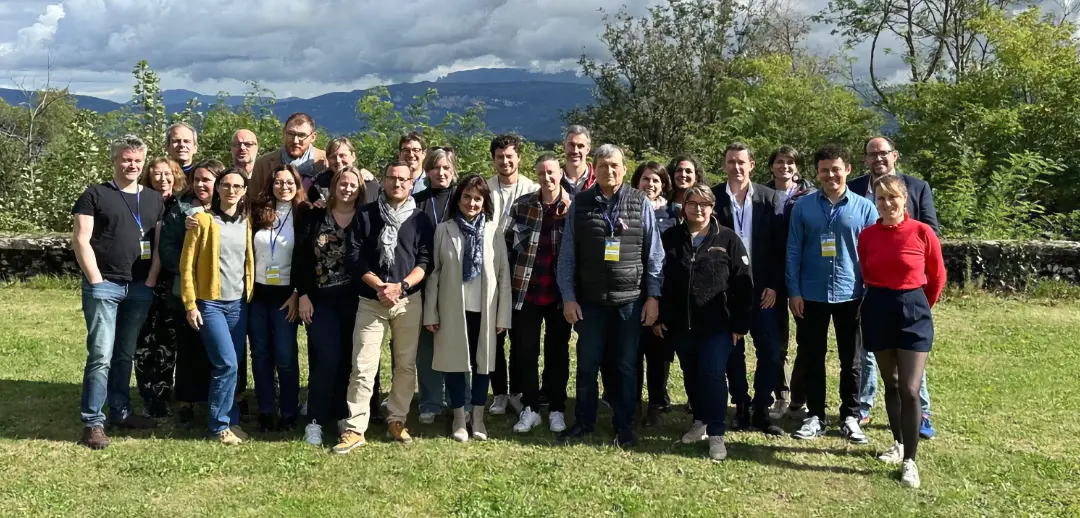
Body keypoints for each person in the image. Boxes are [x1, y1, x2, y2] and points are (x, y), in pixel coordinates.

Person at [556, 144, 664, 448]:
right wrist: (568, 297)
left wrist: (653, 296)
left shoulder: (639, 201)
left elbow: (654, 255)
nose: (609, 170)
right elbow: (567, 257)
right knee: (587, 364)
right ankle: (584, 421)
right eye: (603, 165)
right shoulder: (580, 204)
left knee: (627, 365)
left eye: (615, 165)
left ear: (625, 168)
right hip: (589, 301)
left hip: (629, 299)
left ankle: (625, 424)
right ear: (595, 168)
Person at [333, 160, 433, 453]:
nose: (398, 183)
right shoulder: (365, 215)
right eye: (392, 178)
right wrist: (379, 286)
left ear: (411, 183)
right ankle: (355, 428)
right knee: (363, 366)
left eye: (403, 179)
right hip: (371, 301)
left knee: (404, 365)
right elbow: (353, 257)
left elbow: (425, 261)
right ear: (383, 181)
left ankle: (397, 420)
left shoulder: (420, 219)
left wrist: (400, 287)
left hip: (407, 300)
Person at [71, 135, 165, 449]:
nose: (132, 165)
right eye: (126, 159)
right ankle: (92, 421)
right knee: (100, 355)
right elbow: (81, 240)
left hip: (139, 287)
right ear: (115, 160)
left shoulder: (153, 198)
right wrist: (96, 280)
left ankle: (121, 412)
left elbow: (157, 244)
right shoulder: (95, 194)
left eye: (138, 160)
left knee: (125, 354)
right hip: (105, 285)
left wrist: (151, 280)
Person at [653, 185, 753, 460]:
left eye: (704, 204)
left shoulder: (728, 239)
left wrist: (739, 324)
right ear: (683, 207)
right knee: (691, 373)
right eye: (692, 203)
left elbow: (743, 283)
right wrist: (660, 316)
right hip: (681, 324)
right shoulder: (670, 238)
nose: (698, 209)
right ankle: (700, 421)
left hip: (717, 324)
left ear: (713, 207)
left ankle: (717, 433)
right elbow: (660, 278)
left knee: (712, 374)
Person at [858, 174, 945, 488]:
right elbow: (867, 271)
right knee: (891, 383)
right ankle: (897, 443)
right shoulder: (867, 235)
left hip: (913, 310)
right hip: (879, 307)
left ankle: (910, 460)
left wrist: (919, 305)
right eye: (881, 198)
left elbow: (936, 277)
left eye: (892, 197)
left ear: (904, 199)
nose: (887, 203)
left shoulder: (922, 232)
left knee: (910, 388)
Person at [787, 144, 878, 443]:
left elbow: (872, 255)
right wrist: (794, 291)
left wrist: (870, 293)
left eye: (836, 169)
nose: (831, 175)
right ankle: (815, 415)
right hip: (811, 294)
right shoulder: (803, 206)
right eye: (824, 170)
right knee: (813, 356)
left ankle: (850, 415)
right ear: (817, 173)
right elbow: (793, 250)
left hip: (852, 295)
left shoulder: (865, 208)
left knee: (851, 360)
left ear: (848, 170)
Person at [850, 136, 940, 439]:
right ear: (864, 159)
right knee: (873, 356)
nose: (878, 158)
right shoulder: (855, 188)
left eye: (883, 153)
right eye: (872, 154)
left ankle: (921, 413)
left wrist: (919, 300)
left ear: (895, 156)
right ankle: (864, 407)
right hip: (874, 293)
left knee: (911, 363)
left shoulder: (917, 187)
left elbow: (933, 249)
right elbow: (860, 254)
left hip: (911, 297)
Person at [423, 174, 512, 442]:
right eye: (466, 197)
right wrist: (431, 312)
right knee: (454, 364)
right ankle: (459, 419)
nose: (471, 203)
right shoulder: (444, 230)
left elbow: (503, 275)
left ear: (484, 202)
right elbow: (434, 275)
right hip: (453, 310)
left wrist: (503, 316)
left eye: (477, 199)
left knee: (482, 364)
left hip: (485, 310)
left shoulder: (494, 232)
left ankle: (479, 417)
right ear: (458, 198)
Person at [712, 143, 785, 436]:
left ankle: (761, 407)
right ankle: (740, 405)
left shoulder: (769, 199)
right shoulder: (714, 198)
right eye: (731, 162)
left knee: (770, 350)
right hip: (728, 292)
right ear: (725, 165)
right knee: (733, 351)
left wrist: (774, 285)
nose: (736, 167)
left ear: (752, 165)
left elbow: (781, 247)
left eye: (741, 162)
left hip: (763, 291)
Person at [179, 167, 254, 445]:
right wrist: (190, 303)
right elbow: (186, 265)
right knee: (226, 364)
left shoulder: (246, 222)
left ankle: (231, 422)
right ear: (217, 188)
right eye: (225, 185)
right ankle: (218, 426)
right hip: (210, 304)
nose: (231, 190)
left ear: (244, 191)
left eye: (237, 186)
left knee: (234, 364)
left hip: (238, 304)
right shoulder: (200, 220)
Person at [292, 167, 366, 446]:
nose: (347, 189)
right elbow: (301, 257)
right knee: (326, 359)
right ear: (333, 185)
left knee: (350, 361)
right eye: (342, 183)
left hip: (357, 300)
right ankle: (315, 420)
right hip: (321, 299)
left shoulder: (365, 218)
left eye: (353, 185)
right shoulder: (314, 217)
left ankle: (343, 418)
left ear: (360, 189)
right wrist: (303, 294)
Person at [505, 153, 574, 433]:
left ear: (560, 174)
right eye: (542, 173)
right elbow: (508, 246)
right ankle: (530, 407)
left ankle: (557, 408)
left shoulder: (573, 208)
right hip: (526, 293)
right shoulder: (522, 206)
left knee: (558, 353)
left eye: (551, 173)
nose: (547, 178)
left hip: (559, 295)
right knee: (525, 352)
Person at [160, 160, 225, 426]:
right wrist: (191, 271)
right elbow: (167, 249)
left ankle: (219, 400)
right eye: (196, 179)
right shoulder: (180, 210)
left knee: (219, 350)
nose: (200, 185)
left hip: (221, 293)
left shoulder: (231, 210)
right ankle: (186, 403)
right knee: (187, 350)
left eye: (206, 180)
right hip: (186, 293)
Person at [248, 164, 307, 432]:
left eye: (289, 182)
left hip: (287, 295)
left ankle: (289, 410)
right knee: (260, 353)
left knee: (284, 354)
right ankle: (266, 409)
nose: (284, 187)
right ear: (271, 185)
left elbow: (310, 257)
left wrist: (297, 292)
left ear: (297, 185)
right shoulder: (259, 213)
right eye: (278, 182)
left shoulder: (304, 214)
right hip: (257, 294)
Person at [485, 134, 539, 417]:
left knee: (521, 338)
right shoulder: (484, 189)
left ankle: (518, 392)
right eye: (499, 157)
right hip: (491, 274)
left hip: (522, 275)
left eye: (509, 156)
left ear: (519, 157)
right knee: (493, 337)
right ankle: (499, 393)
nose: (504, 161)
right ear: (493, 159)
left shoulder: (533, 188)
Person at [764, 145, 816, 420]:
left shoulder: (809, 196)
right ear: (771, 166)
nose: (784, 166)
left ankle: (800, 397)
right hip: (772, 274)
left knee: (806, 339)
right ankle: (780, 396)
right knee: (777, 340)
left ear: (797, 167)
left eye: (790, 162)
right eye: (779, 161)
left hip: (802, 274)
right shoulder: (761, 195)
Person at [134, 157, 185, 418]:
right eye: (157, 175)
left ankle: (163, 394)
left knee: (166, 340)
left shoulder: (182, 206)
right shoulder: (140, 203)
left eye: (168, 174)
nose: (163, 179)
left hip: (170, 281)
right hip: (140, 278)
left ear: (176, 177)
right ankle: (146, 394)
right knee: (143, 341)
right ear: (149, 178)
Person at [412, 147, 459, 424]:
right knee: (426, 345)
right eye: (435, 168)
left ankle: (456, 400)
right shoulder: (416, 201)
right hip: (423, 280)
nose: (441, 173)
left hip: (456, 282)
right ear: (427, 171)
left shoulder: (463, 199)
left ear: (453, 170)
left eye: (446, 168)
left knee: (456, 343)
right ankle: (430, 401)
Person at [629, 161, 678, 425]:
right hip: (634, 292)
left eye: (656, 180)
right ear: (637, 182)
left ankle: (656, 405)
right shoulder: (627, 210)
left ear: (664, 185)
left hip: (662, 293)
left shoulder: (674, 214)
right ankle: (633, 404)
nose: (650, 184)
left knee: (658, 354)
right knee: (633, 352)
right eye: (645, 179)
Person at [251, 112, 328, 195]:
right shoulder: (263, 165)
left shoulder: (326, 162)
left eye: (302, 135)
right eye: (291, 134)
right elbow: (253, 200)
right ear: (284, 133)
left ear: (313, 137)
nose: (295, 141)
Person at [307, 137, 379, 206]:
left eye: (342, 155)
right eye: (333, 157)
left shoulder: (367, 183)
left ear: (353, 156)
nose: (338, 160)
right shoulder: (318, 186)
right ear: (328, 160)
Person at [562, 125, 595, 193]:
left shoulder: (598, 180)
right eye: (571, 145)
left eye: (580, 146)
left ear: (588, 149)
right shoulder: (554, 180)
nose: (575, 151)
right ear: (564, 147)